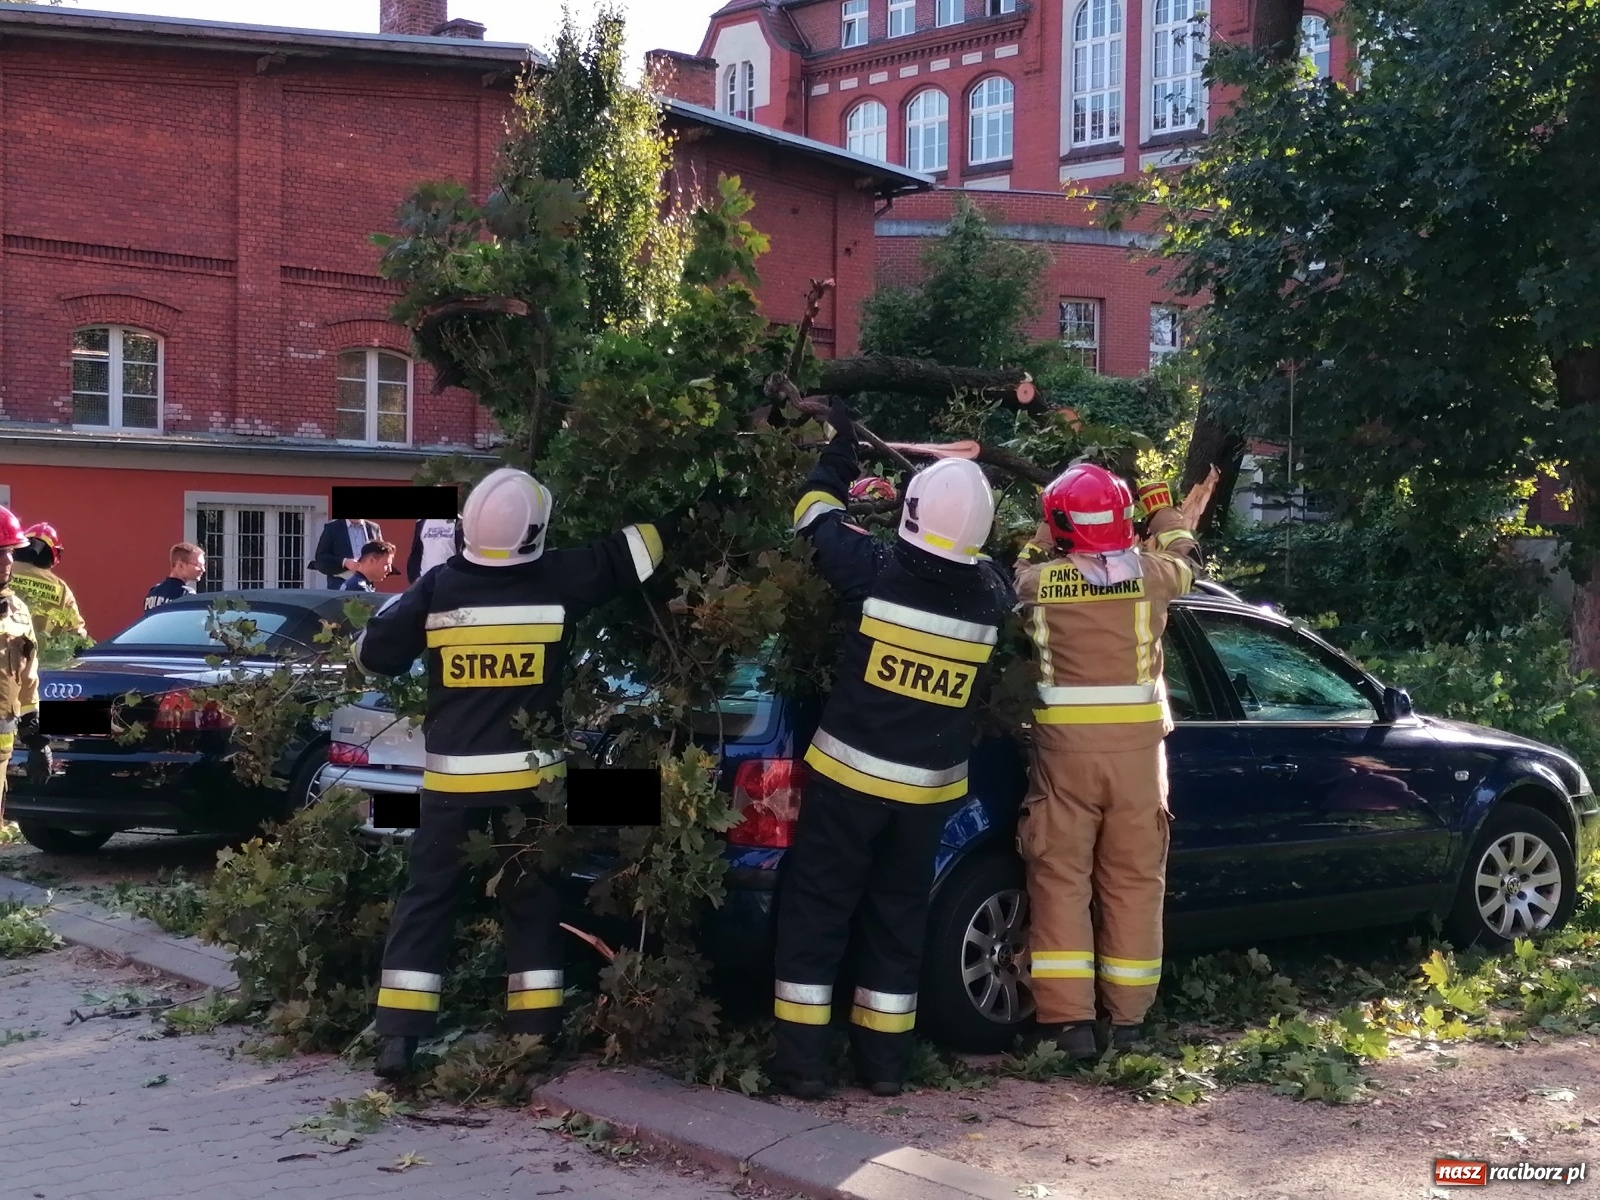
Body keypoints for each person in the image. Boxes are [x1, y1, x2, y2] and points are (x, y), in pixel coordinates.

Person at [352, 467, 673, 1080]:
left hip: (452, 790)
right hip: (530, 788)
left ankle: (398, 1040)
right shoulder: (561, 577)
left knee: (426, 906)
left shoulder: (438, 588)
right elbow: (639, 549)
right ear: (535, 532)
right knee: (530, 906)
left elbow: (373, 656)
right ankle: (533, 1036)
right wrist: (686, 508)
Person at [770, 400, 1013, 1099]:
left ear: (908, 516)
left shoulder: (873, 570)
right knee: (897, 922)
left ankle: (803, 1066)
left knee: (818, 914)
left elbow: (812, 514)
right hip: (927, 795)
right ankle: (883, 1068)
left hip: (849, 782)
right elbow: (991, 563)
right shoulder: (990, 598)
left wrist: (841, 450)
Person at [1012, 462, 1216, 1060]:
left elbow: (1019, 567)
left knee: (1059, 880)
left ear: (1061, 526)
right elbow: (1187, 559)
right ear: (1124, 521)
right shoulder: (1154, 577)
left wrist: (1044, 534)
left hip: (1064, 759)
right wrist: (1163, 510)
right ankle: (1127, 1023)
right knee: (1133, 881)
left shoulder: (1037, 584)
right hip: (1138, 760)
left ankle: (1067, 1024)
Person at [0, 506, 44, 825]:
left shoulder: (16, 611)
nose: (8, 562)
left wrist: (35, 738)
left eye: (11, 553)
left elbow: (28, 677)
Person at [9, 523, 88, 641]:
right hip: (41, 656)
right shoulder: (61, 588)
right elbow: (77, 634)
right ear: (54, 556)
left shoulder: (4, 571)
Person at [312, 516, 383, 590]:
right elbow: (321, 556)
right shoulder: (333, 527)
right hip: (340, 582)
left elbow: (381, 555)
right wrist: (345, 562)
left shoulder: (373, 528)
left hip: (367, 584)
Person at [145, 543, 206, 611]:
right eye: (199, 565)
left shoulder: (153, 593)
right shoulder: (186, 594)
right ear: (181, 565)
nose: (203, 570)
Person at [407, 516, 462, 583]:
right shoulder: (422, 522)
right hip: (425, 583)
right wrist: (416, 579)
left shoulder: (459, 523)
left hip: (450, 582)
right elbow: (416, 553)